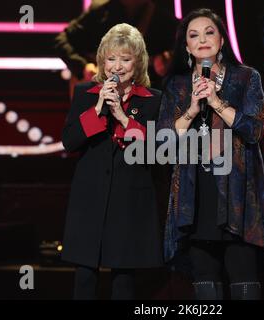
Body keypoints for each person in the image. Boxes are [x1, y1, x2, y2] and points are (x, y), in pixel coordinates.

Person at [157, 8, 264, 300]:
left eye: (209, 32)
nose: (202, 40)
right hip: (194, 196)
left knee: (243, 276)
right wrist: (193, 109)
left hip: (237, 197)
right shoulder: (177, 85)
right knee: (205, 281)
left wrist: (216, 101)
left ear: (222, 39)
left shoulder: (246, 78)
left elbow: (254, 130)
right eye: (193, 35)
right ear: (186, 46)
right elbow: (163, 144)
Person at [61, 23, 163, 299]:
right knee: (84, 278)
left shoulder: (154, 100)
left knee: (123, 282)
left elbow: (156, 152)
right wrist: (98, 109)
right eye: (111, 59)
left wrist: (122, 117)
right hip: (90, 198)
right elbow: (69, 142)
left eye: (125, 59)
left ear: (138, 63)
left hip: (129, 200)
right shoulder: (85, 94)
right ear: (102, 62)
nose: (117, 67)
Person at [54, 0, 178, 94]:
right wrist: (83, 67)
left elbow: (187, 55)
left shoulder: (162, 17)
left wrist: (170, 62)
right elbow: (61, 41)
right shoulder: (101, 10)